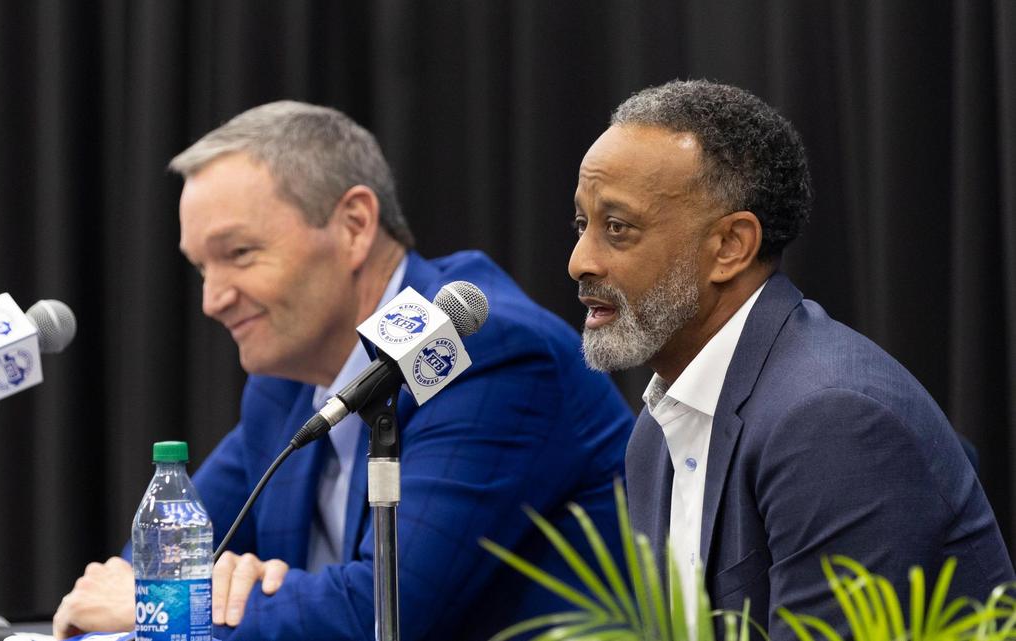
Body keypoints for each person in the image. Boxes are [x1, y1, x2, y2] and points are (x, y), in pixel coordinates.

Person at [52, 101, 635, 641]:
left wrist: (172, 607)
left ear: (355, 225)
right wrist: (167, 593)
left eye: (239, 254)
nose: (212, 299)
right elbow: (157, 558)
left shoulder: (485, 352)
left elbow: (382, 613)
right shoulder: (285, 381)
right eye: (202, 268)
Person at [567, 79, 1014, 635]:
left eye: (617, 228)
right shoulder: (654, 435)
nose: (579, 262)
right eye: (583, 225)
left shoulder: (832, 419)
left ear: (731, 247)